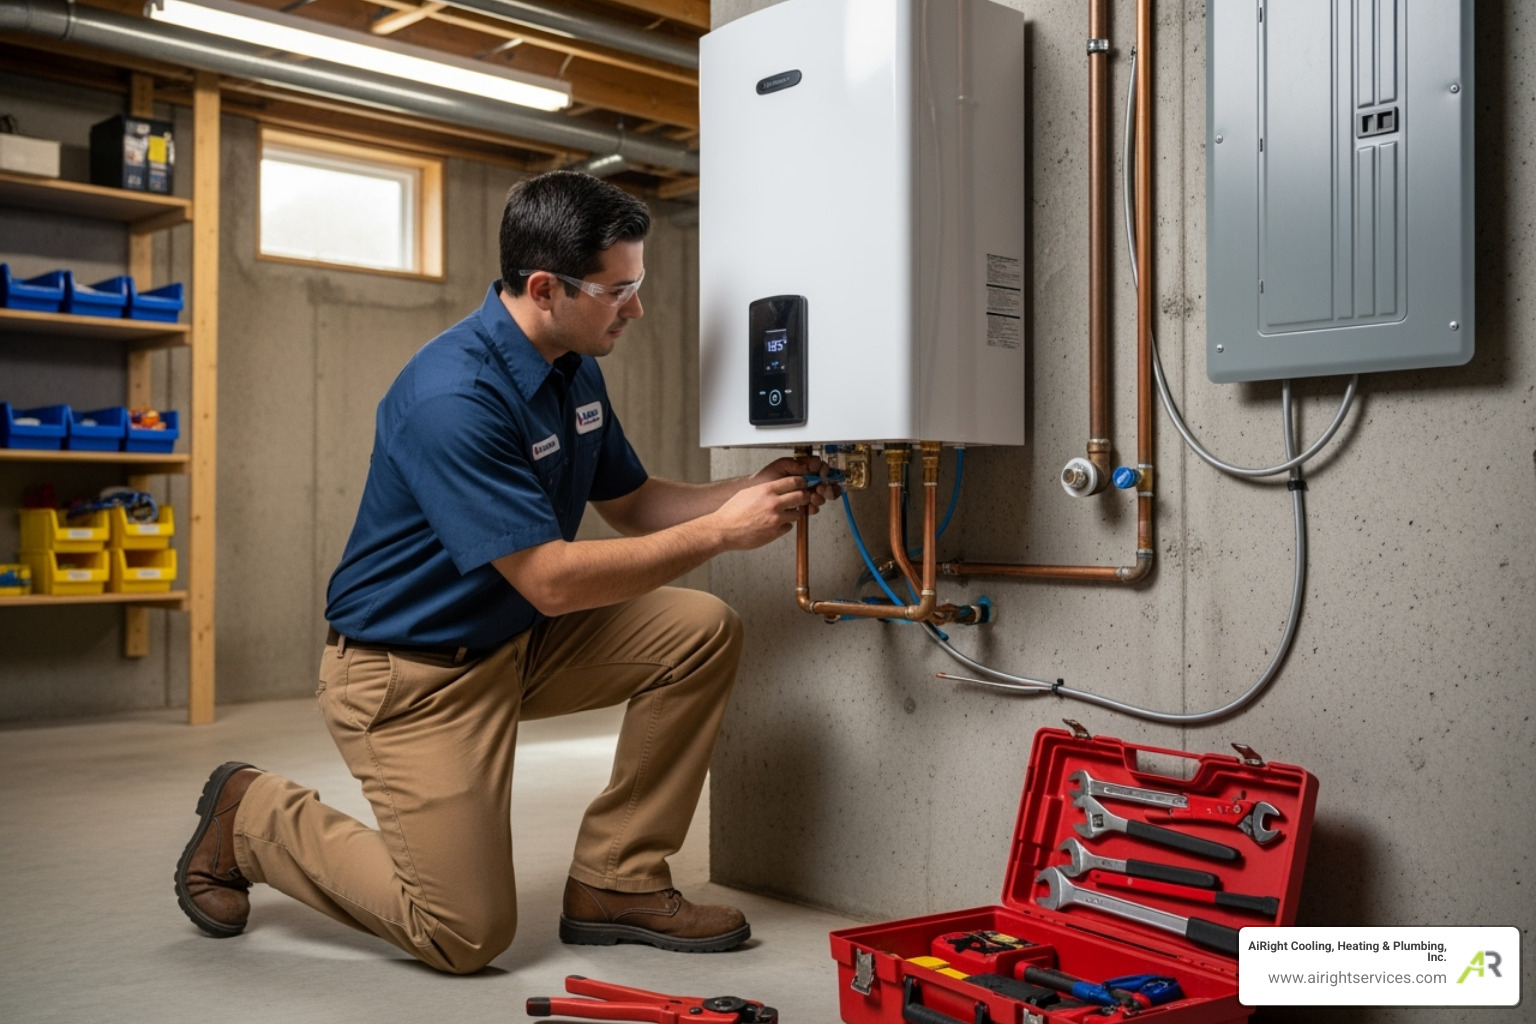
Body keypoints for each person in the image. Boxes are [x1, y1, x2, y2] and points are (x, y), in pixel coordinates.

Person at [172, 170, 836, 974]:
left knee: (696, 629)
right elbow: (552, 581)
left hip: (510, 642)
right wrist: (722, 537)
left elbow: (631, 502)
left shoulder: (571, 362)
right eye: (618, 290)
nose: (636, 309)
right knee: (462, 934)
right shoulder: (453, 396)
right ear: (545, 287)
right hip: (410, 678)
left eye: (639, 284)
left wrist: (746, 491)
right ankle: (253, 816)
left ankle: (616, 880)